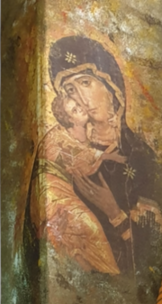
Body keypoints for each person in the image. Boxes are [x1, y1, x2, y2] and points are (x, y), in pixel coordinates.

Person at [43, 35, 162, 278]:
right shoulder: (71, 158)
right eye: (70, 90)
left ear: (111, 86)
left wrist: (114, 212)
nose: (81, 97)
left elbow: (154, 255)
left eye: (85, 83)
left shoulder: (141, 160)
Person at [29, 92, 120, 274]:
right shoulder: (59, 136)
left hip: (62, 189)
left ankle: (96, 274)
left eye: (79, 105)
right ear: (69, 119)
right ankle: (109, 273)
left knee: (78, 235)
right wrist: (110, 156)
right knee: (89, 227)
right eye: (74, 110)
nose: (81, 109)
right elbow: (79, 158)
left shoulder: (84, 133)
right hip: (52, 192)